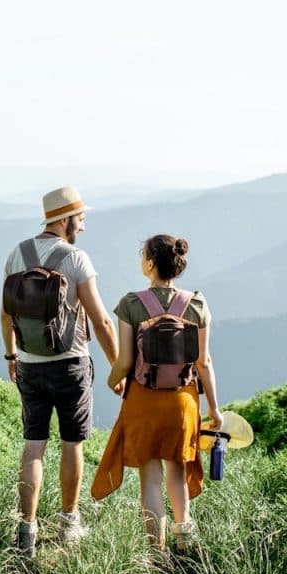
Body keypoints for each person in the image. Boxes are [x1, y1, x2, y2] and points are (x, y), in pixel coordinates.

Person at [0, 186, 119, 558]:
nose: (82, 226)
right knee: (72, 443)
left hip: (31, 365)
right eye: (80, 219)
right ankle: (69, 524)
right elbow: (100, 319)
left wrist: (11, 356)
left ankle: (27, 529)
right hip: (71, 364)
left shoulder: (17, 254)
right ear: (65, 219)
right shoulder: (76, 258)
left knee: (34, 445)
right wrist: (120, 367)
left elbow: (6, 314)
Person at [90, 234, 223, 554]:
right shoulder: (198, 304)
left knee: (150, 479)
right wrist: (214, 409)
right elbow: (204, 363)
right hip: (183, 401)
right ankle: (184, 540)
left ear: (149, 263)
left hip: (144, 401)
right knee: (177, 471)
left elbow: (124, 362)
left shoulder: (131, 305)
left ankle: (156, 552)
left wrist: (112, 382)